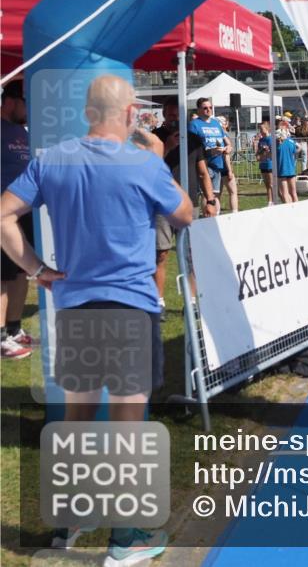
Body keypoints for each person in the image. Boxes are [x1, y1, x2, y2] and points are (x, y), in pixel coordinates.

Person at [1, 75, 193, 564]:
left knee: (79, 416)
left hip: (75, 307)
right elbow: (185, 214)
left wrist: (37, 269)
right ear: (130, 114)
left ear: (88, 113)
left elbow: (3, 215)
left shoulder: (52, 159)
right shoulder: (143, 163)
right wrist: (154, 152)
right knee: (130, 422)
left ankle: (69, 520)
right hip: (129, 306)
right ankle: (126, 539)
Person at [152, 98, 214, 313]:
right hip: (161, 205)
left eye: (177, 114)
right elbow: (147, 166)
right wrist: (168, 146)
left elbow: (204, 173)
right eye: (169, 114)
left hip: (189, 204)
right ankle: (158, 302)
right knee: (160, 254)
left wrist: (211, 199)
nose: (174, 118)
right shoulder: (154, 138)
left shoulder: (195, 140)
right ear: (163, 115)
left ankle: (193, 300)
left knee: (190, 254)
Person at [1, 81, 34, 359]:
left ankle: (13, 329)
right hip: (3, 214)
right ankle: (1, 338)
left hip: (24, 214)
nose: (28, 109)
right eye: (25, 102)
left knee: (21, 272)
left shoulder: (22, 132)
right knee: (1, 276)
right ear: (10, 101)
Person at [188, 98, 228, 205]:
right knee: (207, 195)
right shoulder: (194, 124)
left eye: (210, 107)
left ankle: (215, 217)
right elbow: (191, 147)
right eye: (205, 108)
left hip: (217, 164)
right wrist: (209, 151)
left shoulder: (216, 123)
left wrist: (227, 148)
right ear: (199, 110)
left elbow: (225, 140)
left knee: (216, 195)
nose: (208, 110)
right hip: (204, 164)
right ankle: (207, 217)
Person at [215, 115, 239, 213]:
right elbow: (226, 154)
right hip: (224, 166)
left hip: (216, 166)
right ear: (224, 124)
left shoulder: (215, 134)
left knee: (217, 193)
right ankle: (234, 212)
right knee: (233, 192)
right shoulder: (224, 135)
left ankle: (216, 213)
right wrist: (229, 170)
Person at [276, 121, 299, 204]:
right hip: (291, 169)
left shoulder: (277, 143)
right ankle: (297, 209)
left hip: (282, 170)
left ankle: (289, 211)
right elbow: (297, 150)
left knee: (285, 193)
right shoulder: (291, 141)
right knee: (293, 193)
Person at [255, 121, 275, 204]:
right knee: (267, 184)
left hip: (269, 164)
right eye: (259, 128)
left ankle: (274, 200)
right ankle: (269, 201)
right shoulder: (261, 140)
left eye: (261, 128)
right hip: (262, 164)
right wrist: (257, 148)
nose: (260, 130)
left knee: (271, 184)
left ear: (267, 129)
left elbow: (271, 152)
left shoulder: (270, 139)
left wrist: (265, 152)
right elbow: (258, 152)